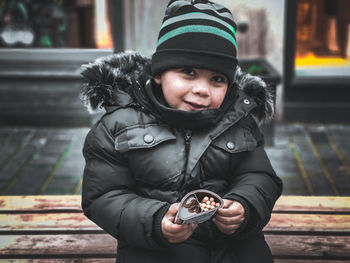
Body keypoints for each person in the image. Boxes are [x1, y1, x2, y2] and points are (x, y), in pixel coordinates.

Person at [80, 0, 283, 262]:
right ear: (159, 74)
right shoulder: (120, 124)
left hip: (231, 248)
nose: (202, 89)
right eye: (188, 72)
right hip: (156, 248)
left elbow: (259, 176)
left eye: (217, 79)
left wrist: (245, 205)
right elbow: (103, 196)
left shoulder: (238, 121)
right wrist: (153, 220)